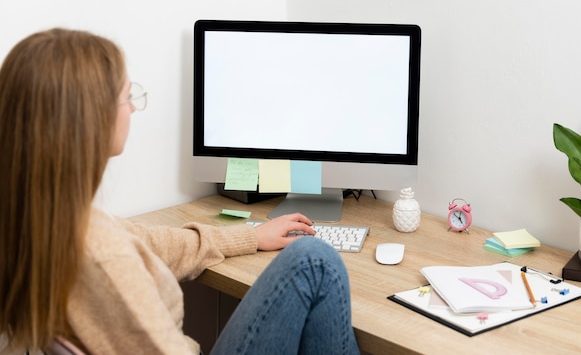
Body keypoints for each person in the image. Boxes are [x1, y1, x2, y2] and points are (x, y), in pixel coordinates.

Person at [0, 28, 359, 354]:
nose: (134, 108)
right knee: (315, 260)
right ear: (92, 119)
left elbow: (149, 243)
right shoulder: (103, 255)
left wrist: (250, 237)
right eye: (128, 97)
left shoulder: (37, 216)